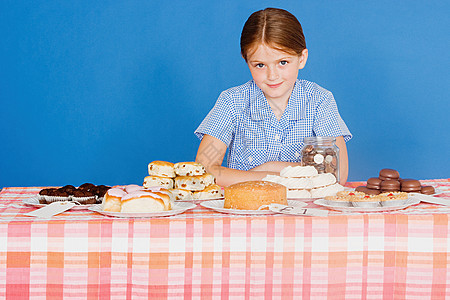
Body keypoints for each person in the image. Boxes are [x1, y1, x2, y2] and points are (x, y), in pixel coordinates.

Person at [194, 7, 352, 187]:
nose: (272, 75)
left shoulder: (319, 101)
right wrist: (273, 177)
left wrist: (270, 167)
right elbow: (205, 167)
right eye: (260, 65)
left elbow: (337, 172)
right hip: (246, 210)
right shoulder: (232, 102)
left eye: (282, 62)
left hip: (304, 212)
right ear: (246, 60)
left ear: (302, 58)